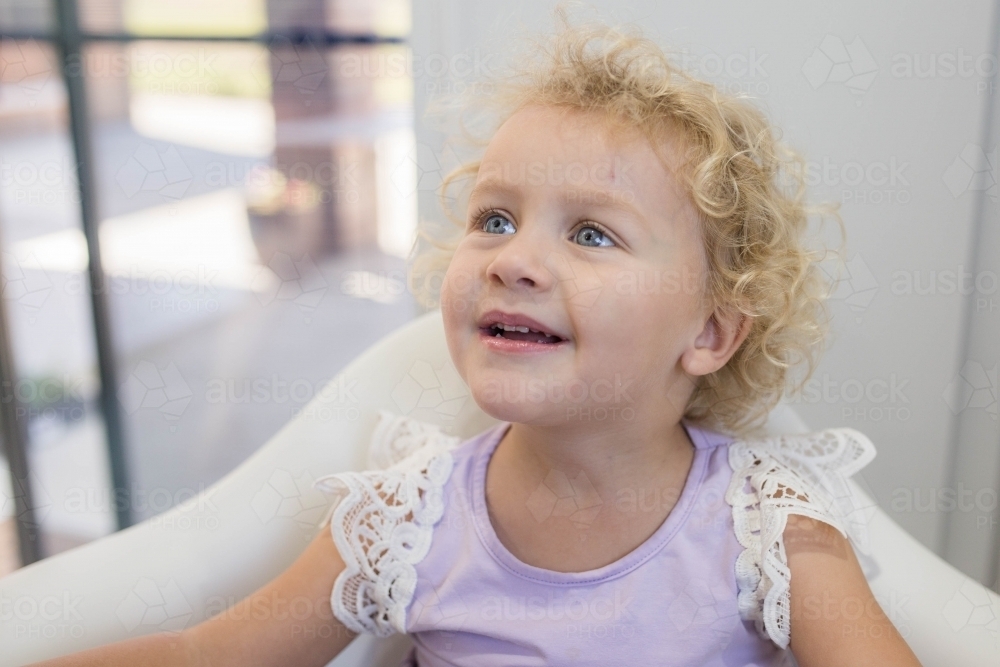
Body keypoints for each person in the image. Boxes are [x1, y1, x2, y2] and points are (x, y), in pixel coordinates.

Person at [31, 15, 924, 667]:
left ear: (710, 330)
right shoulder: (408, 518)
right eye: (495, 217)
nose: (514, 259)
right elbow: (207, 656)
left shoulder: (767, 524)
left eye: (591, 233)